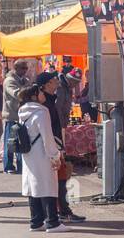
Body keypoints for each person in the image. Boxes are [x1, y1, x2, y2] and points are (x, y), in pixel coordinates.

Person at [35, 69, 86, 223]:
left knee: (58, 180)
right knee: (57, 180)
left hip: (53, 141)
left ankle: (56, 213)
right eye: (53, 80)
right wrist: (58, 149)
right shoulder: (47, 103)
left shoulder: (54, 96)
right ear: (46, 85)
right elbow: (50, 126)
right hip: (51, 144)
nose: (56, 81)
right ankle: (57, 214)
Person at [17, 83, 67, 232]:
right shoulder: (42, 112)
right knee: (47, 186)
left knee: (33, 187)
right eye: (40, 92)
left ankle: (36, 221)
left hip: (29, 153)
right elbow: (47, 136)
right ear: (34, 95)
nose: (43, 94)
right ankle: (52, 222)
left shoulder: (22, 112)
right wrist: (55, 155)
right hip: (42, 152)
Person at [2, 60, 31, 174]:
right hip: (12, 115)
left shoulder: (25, 80)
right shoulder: (9, 81)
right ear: (16, 68)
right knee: (10, 142)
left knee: (22, 141)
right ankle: (8, 165)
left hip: (23, 115)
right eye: (23, 68)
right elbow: (16, 94)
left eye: (26, 68)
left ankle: (21, 165)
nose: (25, 70)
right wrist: (28, 90)